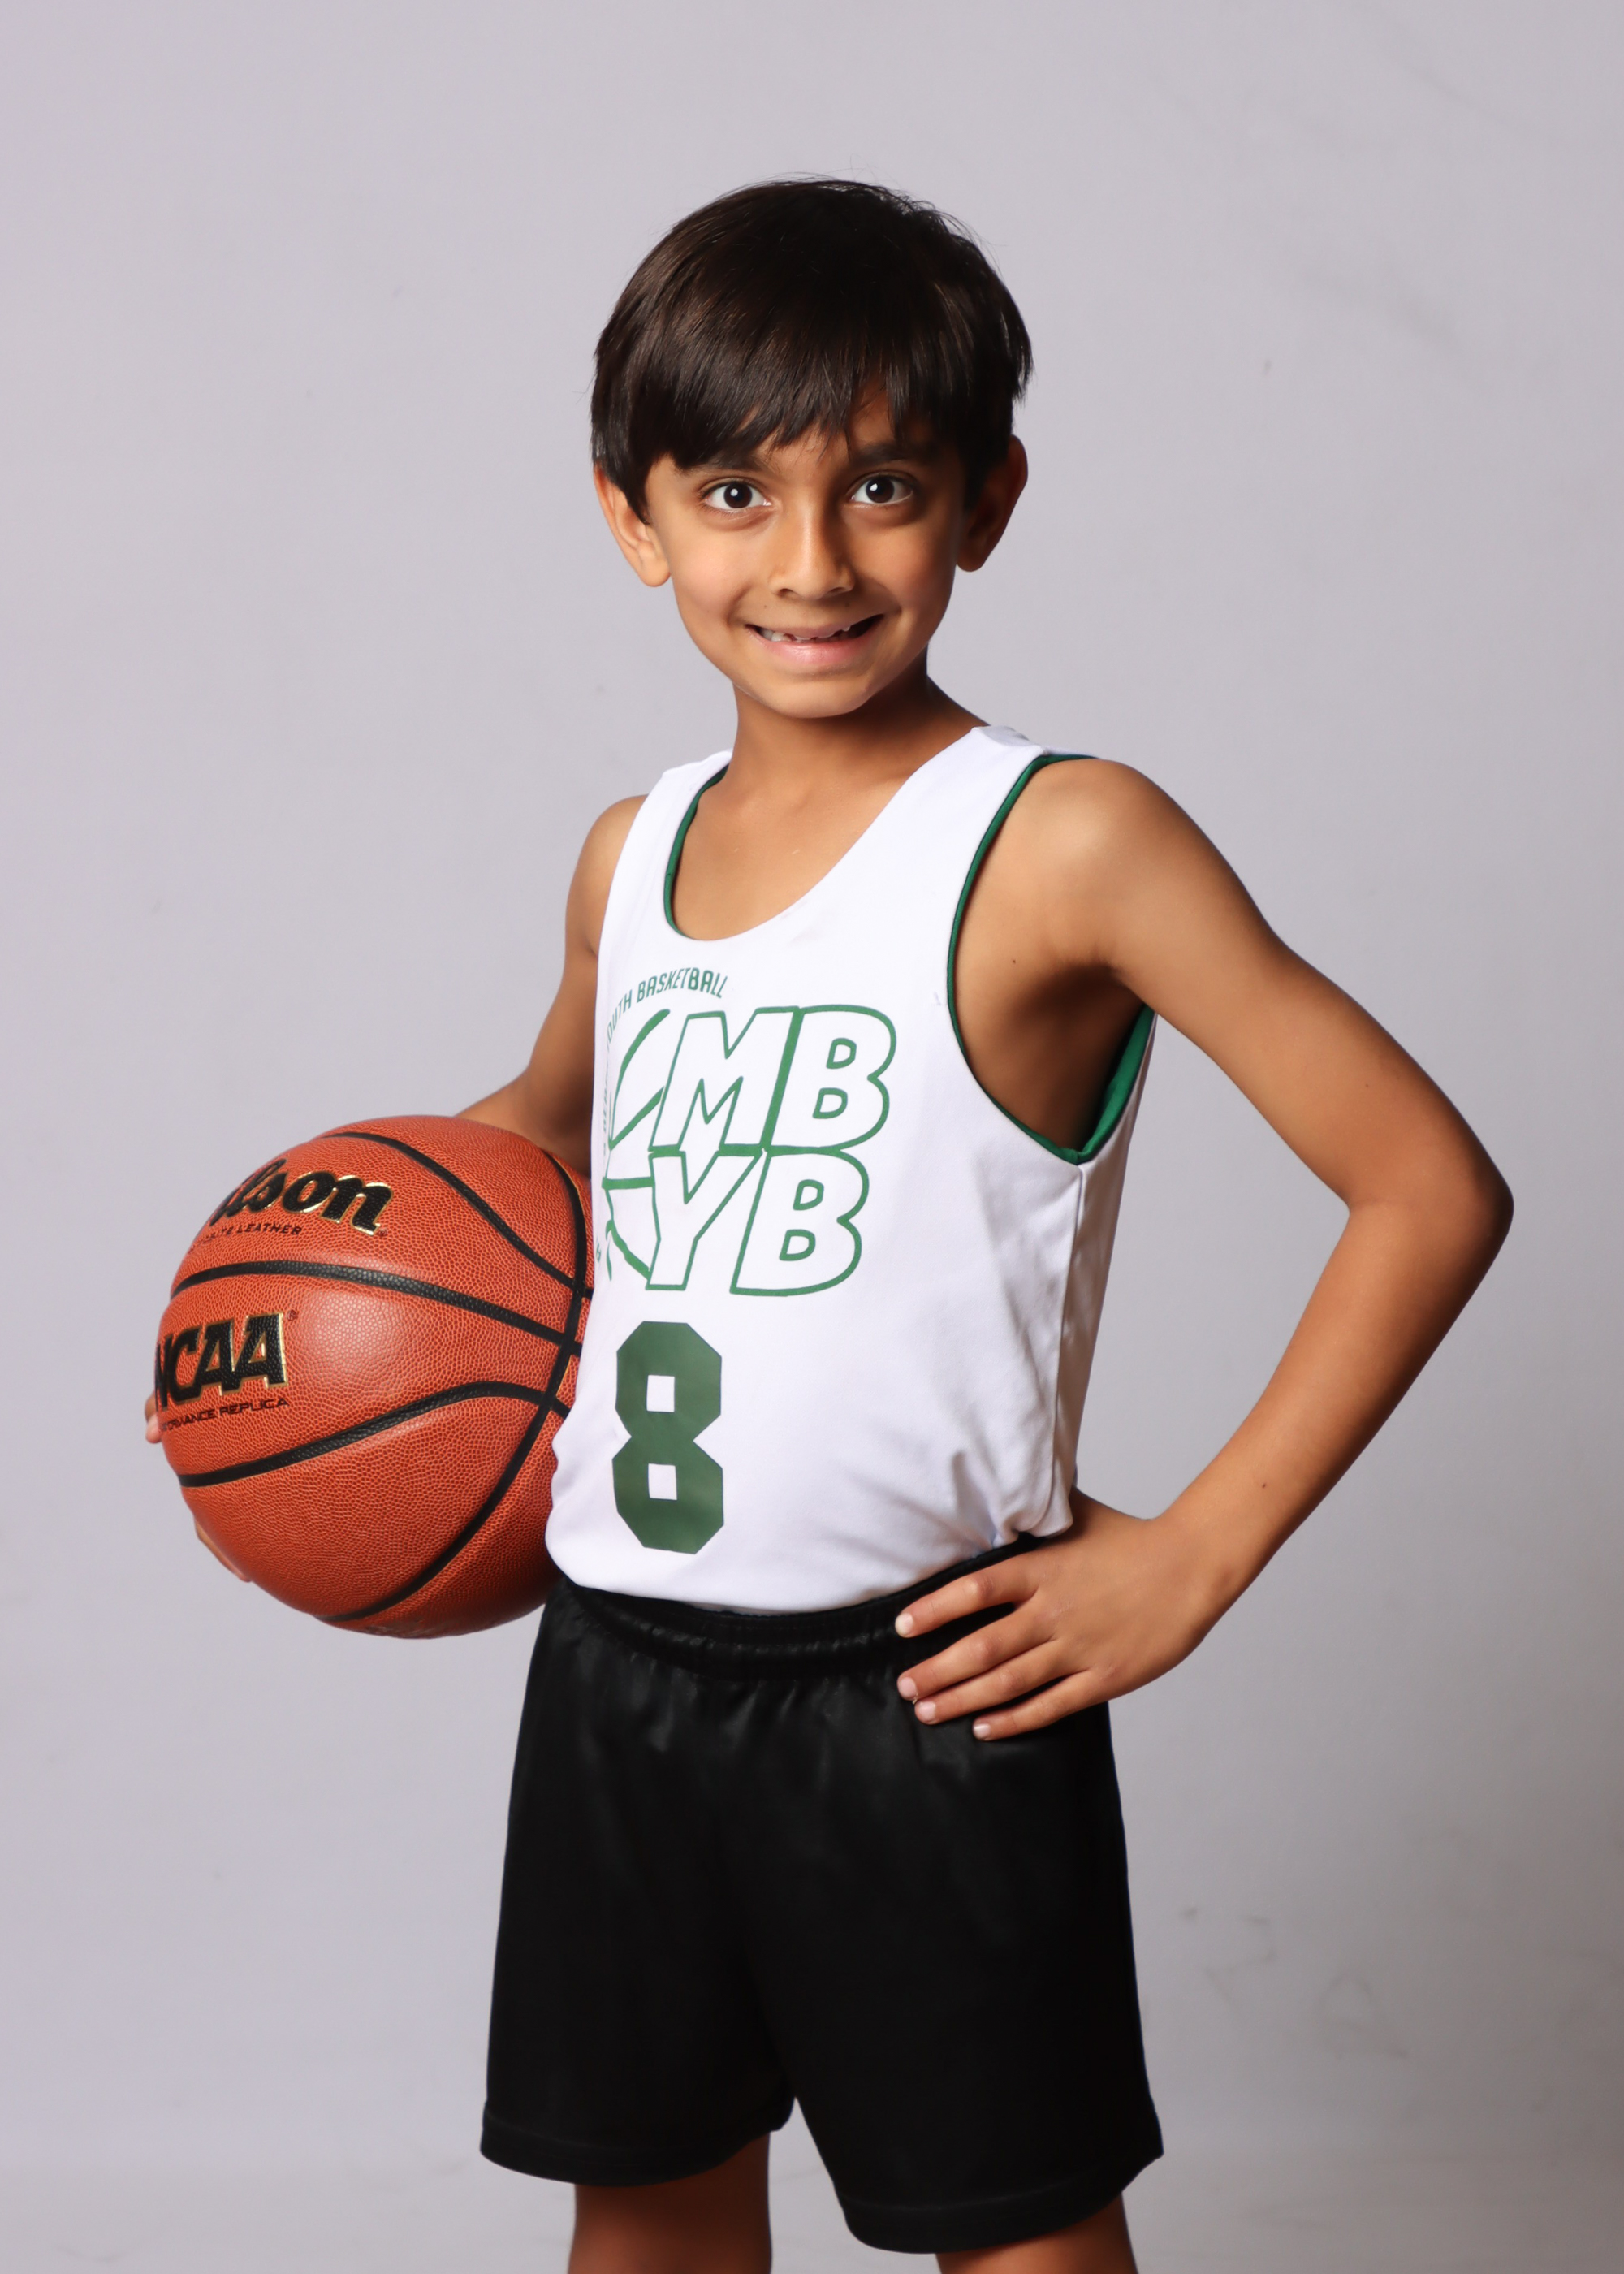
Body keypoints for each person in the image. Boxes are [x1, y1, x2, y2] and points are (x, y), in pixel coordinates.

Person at [461, 181, 1511, 2269]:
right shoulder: (626, 855)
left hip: (926, 1686)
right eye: (736, 492)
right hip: (615, 1666)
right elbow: (525, 1145)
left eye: (881, 487)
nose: (811, 560)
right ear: (632, 517)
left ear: (985, 502)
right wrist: (298, 1304)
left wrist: (1196, 1551)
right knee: (646, 2217)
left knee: (1018, 2234)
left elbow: (1427, 1184)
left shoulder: (1061, 840)